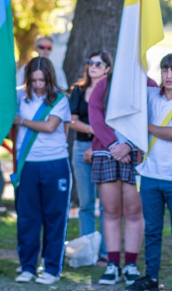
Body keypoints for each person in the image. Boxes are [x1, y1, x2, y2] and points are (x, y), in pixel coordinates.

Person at [126, 54, 172, 291]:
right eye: (165, 70)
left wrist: (143, 126)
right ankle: (150, 277)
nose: (169, 75)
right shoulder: (149, 96)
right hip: (150, 175)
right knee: (152, 231)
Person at [13, 57, 72, 285]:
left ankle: (51, 268)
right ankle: (27, 266)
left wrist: (22, 121)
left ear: (49, 78)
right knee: (27, 217)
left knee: (54, 218)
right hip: (28, 164)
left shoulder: (60, 98)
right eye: (33, 80)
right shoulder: (19, 96)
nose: (38, 84)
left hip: (54, 164)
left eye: (42, 80)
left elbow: (50, 126)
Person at [88, 58, 146, 286]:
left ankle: (130, 264)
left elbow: (149, 117)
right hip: (107, 152)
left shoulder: (146, 84)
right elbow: (95, 116)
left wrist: (129, 145)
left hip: (135, 154)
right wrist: (113, 145)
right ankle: (112, 263)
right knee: (111, 210)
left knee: (133, 211)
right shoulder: (104, 84)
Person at [69, 50, 112, 269]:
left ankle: (105, 253)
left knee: (106, 205)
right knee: (85, 204)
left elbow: (113, 123)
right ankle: (87, 252)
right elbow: (72, 121)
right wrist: (93, 129)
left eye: (99, 63)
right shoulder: (78, 89)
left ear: (107, 68)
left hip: (105, 150)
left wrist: (99, 136)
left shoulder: (111, 92)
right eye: (90, 63)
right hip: (81, 148)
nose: (93, 66)